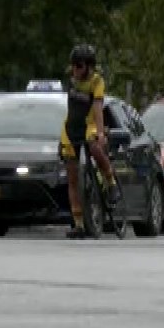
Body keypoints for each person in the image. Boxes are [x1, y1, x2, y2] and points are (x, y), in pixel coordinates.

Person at [60, 45, 120, 239]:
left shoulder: (96, 82)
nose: (75, 70)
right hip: (70, 127)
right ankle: (78, 224)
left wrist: (101, 133)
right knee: (72, 177)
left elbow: (97, 107)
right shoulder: (70, 80)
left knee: (94, 146)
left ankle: (110, 182)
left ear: (89, 67)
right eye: (73, 65)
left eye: (79, 65)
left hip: (90, 124)